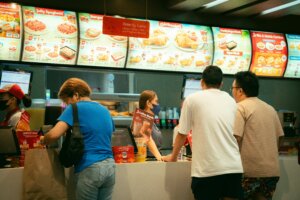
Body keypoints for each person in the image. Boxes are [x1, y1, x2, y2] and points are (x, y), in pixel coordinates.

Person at [163, 65, 243, 200]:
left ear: (202, 82)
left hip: (207, 171)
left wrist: (173, 157)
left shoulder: (192, 99)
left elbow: (182, 133)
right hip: (233, 169)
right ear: (221, 84)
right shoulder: (231, 100)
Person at [40, 78, 115, 200]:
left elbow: (54, 135)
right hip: (110, 167)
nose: (67, 105)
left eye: (67, 101)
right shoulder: (104, 110)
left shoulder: (74, 108)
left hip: (90, 167)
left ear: (76, 95)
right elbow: (107, 133)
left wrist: (43, 139)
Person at [231, 71, 284, 200]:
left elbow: (235, 138)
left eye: (232, 88)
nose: (232, 91)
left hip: (250, 172)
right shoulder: (270, 109)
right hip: (272, 172)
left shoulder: (240, 107)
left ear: (240, 91)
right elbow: (280, 137)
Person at [138, 90, 163, 161]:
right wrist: (160, 158)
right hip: (148, 161)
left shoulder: (150, 120)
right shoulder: (142, 118)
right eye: (156, 101)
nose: (158, 105)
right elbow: (148, 140)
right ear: (148, 103)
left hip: (154, 159)